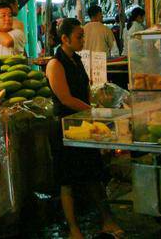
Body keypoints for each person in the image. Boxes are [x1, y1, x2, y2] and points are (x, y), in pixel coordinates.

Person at [46, 19, 122, 239]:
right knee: (67, 180)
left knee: (93, 173)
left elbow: (85, 90)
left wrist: (93, 111)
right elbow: (65, 98)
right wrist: (92, 110)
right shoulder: (55, 63)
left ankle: (107, 219)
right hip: (63, 127)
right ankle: (74, 229)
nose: (83, 39)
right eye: (79, 36)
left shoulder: (77, 60)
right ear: (64, 39)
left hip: (83, 125)